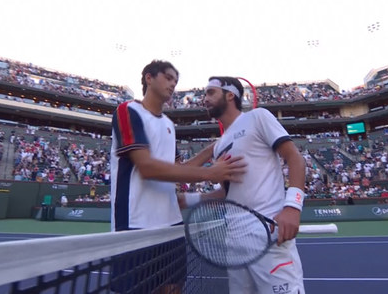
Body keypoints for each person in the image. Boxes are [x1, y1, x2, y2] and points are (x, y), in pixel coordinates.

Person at [109, 61, 247, 294]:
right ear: (149, 78)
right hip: (135, 226)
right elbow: (148, 168)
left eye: (176, 80)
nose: (173, 84)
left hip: (171, 226)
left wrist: (212, 150)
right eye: (168, 77)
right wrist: (210, 172)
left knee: (173, 290)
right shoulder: (128, 111)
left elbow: (174, 171)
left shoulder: (169, 125)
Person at [179, 76, 307, 294]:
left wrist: (293, 207)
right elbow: (227, 194)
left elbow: (295, 158)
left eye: (210, 92)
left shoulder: (258, 117)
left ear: (230, 95)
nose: (204, 99)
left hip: (267, 233)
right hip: (234, 242)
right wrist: (187, 200)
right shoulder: (220, 145)